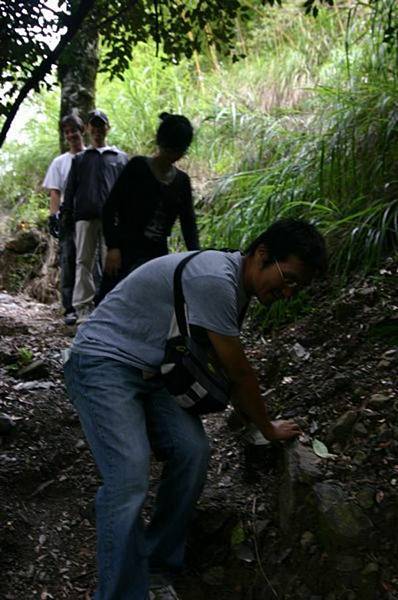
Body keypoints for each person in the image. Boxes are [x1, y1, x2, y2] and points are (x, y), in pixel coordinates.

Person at [64, 218, 327, 600]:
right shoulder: (217, 280)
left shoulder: (235, 286)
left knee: (193, 451)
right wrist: (266, 427)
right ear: (262, 254)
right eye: (287, 278)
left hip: (152, 373)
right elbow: (238, 371)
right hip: (102, 362)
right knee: (129, 477)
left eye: (296, 287)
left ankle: (157, 568)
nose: (288, 292)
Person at [98, 112, 199, 301]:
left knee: (148, 303)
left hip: (156, 253)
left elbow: (188, 224)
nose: (172, 156)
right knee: (111, 299)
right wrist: (113, 247)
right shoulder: (137, 167)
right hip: (126, 248)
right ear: (160, 143)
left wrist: (196, 256)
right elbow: (110, 208)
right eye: (169, 149)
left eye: (177, 151)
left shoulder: (182, 182)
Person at [62, 109, 128, 323]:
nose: (97, 130)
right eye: (94, 126)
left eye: (101, 126)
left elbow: (127, 191)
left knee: (112, 261)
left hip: (113, 219)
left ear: (107, 128)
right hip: (85, 216)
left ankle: (112, 306)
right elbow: (70, 189)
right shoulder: (80, 158)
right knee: (83, 261)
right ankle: (83, 308)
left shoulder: (119, 158)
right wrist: (66, 215)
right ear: (88, 129)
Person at [42, 113, 85, 325]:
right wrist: (53, 217)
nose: (71, 135)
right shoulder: (60, 162)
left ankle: (89, 304)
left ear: (82, 130)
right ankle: (69, 308)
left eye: (73, 130)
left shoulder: (93, 157)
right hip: (68, 216)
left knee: (90, 262)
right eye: (67, 132)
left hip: (90, 216)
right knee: (68, 261)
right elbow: (55, 192)